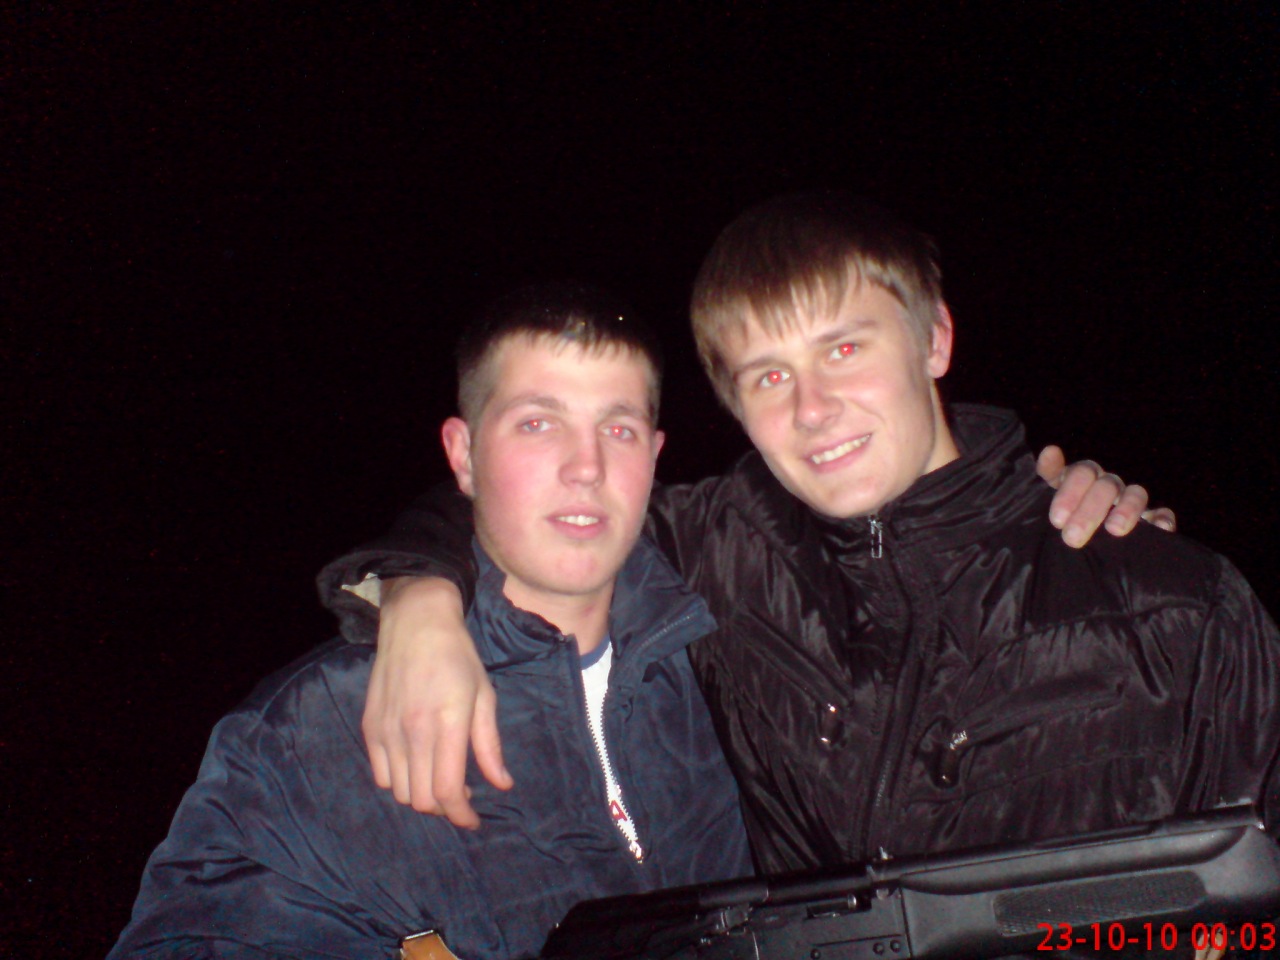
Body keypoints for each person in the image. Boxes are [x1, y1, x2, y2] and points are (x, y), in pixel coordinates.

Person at [319, 193, 1279, 877]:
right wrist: (417, 596)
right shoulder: (721, 550)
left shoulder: (1175, 605)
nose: (813, 408)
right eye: (769, 376)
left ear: (935, 339)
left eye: (844, 348)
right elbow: (539, 504)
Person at [108, 285, 752, 960]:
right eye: (538, 423)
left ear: (654, 456)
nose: (586, 467)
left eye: (618, 430)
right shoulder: (313, 729)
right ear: (464, 456)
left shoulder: (730, 656)